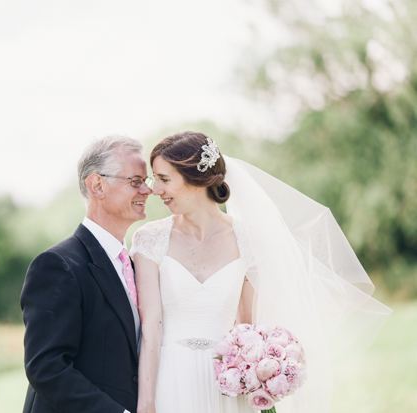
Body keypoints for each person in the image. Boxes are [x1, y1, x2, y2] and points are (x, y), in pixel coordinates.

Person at [131, 131, 391, 413]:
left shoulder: (247, 240)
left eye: (164, 179)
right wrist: (146, 401)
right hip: (169, 380)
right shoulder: (149, 239)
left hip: (226, 385)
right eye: (155, 179)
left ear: (197, 180)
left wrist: (261, 374)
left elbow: (247, 328)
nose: (155, 190)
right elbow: (151, 329)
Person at [20, 135, 152, 413]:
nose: (147, 190)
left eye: (146, 180)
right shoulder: (57, 265)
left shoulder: (134, 263)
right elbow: (47, 368)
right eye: (135, 181)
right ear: (97, 185)